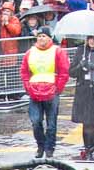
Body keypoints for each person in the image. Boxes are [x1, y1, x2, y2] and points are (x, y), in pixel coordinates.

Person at [20, 27, 69, 160]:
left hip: (51, 93)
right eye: (39, 36)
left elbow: (64, 72)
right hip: (35, 92)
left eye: (44, 36)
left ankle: (49, 149)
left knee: (51, 124)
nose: (41, 38)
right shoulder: (30, 52)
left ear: (49, 38)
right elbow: (24, 71)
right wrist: (28, 87)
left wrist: (57, 89)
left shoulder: (57, 52)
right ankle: (40, 145)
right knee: (36, 121)